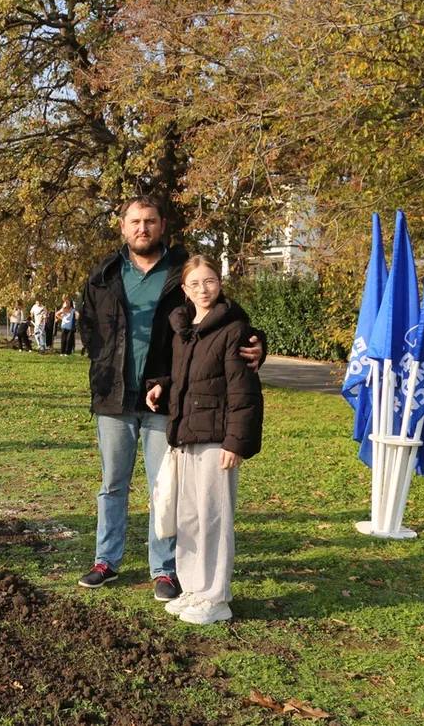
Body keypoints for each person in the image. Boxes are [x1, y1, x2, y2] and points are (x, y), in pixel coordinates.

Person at [77, 196, 264, 600]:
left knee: (165, 486)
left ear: (162, 225)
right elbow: (88, 324)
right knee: (112, 484)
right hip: (113, 398)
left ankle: (164, 568)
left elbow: (229, 314)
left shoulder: (182, 272)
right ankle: (105, 560)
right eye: (134, 222)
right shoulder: (105, 274)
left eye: (149, 221)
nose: (141, 228)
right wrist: (103, 362)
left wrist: (257, 344)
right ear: (123, 227)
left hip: (167, 398)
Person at [145, 255, 263, 625]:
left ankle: (216, 597)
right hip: (185, 435)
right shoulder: (184, 330)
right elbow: (185, 379)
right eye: (195, 284)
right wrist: (162, 387)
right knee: (189, 517)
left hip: (216, 440)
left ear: (220, 283)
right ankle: (194, 588)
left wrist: (235, 443)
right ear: (185, 290)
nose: (203, 289)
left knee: (214, 517)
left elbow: (244, 392)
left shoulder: (235, 330)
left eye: (209, 281)